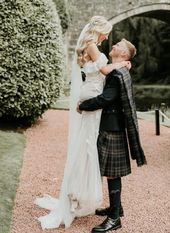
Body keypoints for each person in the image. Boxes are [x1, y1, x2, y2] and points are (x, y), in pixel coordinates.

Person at [34, 16, 130, 230]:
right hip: (93, 100)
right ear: (99, 31)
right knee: (87, 149)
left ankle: (85, 197)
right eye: (106, 32)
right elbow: (105, 71)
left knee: (87, 148)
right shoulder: (92, 46)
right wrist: (122, 63)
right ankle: (78, 195)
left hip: (92, 98)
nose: (107, 37)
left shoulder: (90, 46)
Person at [77, 38, 147, 233]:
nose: (114, 45)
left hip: (111, 127)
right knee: (110, 171)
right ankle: (116, 208)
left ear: (124, 55)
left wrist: (83, 106)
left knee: (112, 172)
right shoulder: (118, 69)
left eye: (118, 46)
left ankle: (114, 218)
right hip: (112, 125)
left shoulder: (118, 73)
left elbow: (106, 99)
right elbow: (104, 71)